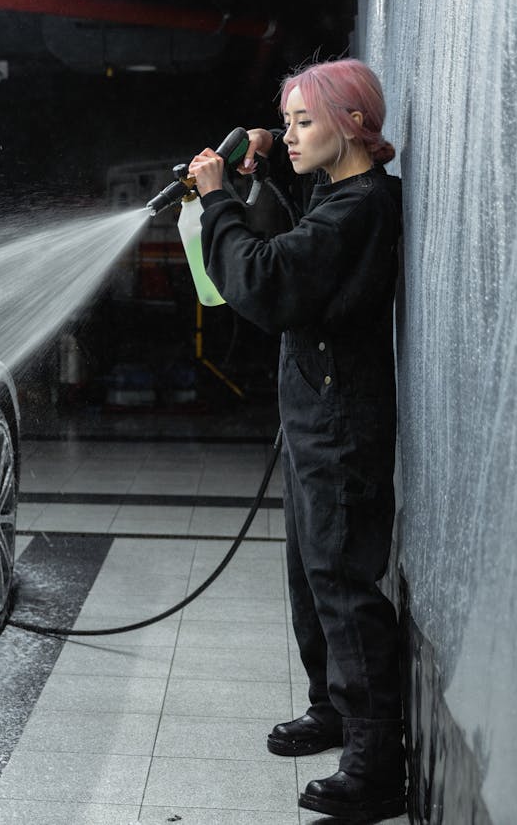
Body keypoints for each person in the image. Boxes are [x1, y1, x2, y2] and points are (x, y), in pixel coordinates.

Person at [188, 58, 405, 821]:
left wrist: (217, 201)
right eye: (286, 122)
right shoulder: (339, 195)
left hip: (340, 422)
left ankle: (376, 764)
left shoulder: (359, 208)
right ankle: (336, 707)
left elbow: (268, 277)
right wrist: (264, 174)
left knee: (344, 582)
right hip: (318, 412)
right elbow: (298, 237)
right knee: (313, 575)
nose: (289, 134)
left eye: (303, 122)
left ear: (351, 123)